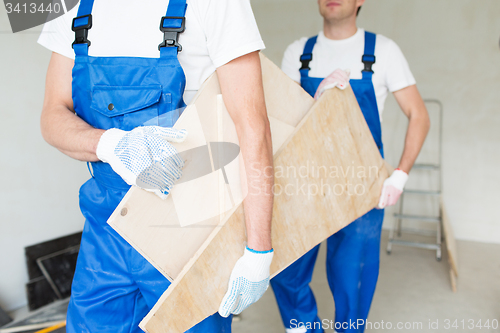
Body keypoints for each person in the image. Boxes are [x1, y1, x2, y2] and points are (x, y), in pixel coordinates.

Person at [38, 0, 275, 332]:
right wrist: (108, 144)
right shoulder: (70, 6)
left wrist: (259, 249)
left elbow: (252, 127)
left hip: (189, 235)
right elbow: (52, 115)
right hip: (106, 230)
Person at [270, 1, 430, 332]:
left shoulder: (382, 51)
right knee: (284, 269)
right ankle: (304, 327)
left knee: (352, 279)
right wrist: (319, 101)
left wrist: (399, 176)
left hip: (362, 185)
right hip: (304, 181)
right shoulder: (300, 53)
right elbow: (282, 121)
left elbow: (419, 115)